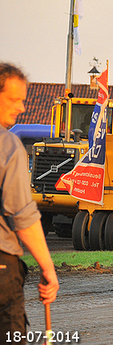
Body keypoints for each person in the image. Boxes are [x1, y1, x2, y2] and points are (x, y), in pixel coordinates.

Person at [0, 63, 59, 342]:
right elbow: (22, 216)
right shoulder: (8, 146)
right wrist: (47, 268)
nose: (22, 108)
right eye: (14, 99)